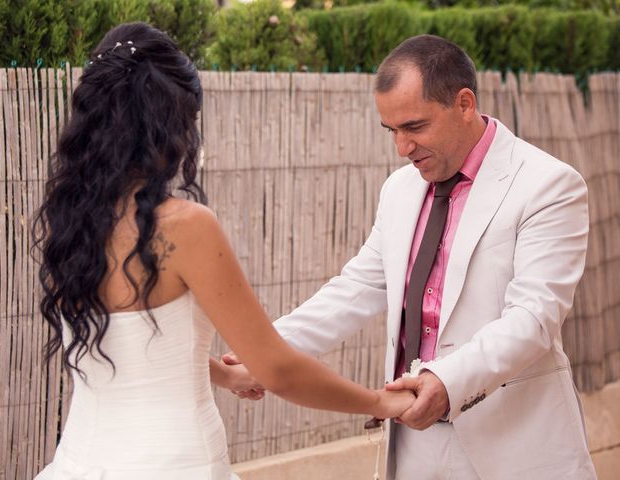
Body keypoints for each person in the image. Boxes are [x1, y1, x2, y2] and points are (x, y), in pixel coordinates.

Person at [32, 22, 414, 480]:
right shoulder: (185, 227)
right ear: (166, 125)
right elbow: (277, 369)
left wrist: (226, 374)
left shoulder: (70, 220)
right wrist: (379, 401)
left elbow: (139, 348)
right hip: (177, 465)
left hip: (79, 462)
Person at [227, 35, 597, 479]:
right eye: (392, 131)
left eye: (415, 127)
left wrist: (447, 382)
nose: (402, 148)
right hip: (413, 444)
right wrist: (265, 352)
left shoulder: (549, 185)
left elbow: (534, 318)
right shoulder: (399, 189)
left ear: (464, 103)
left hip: (515, 444)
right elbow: (356, 288)